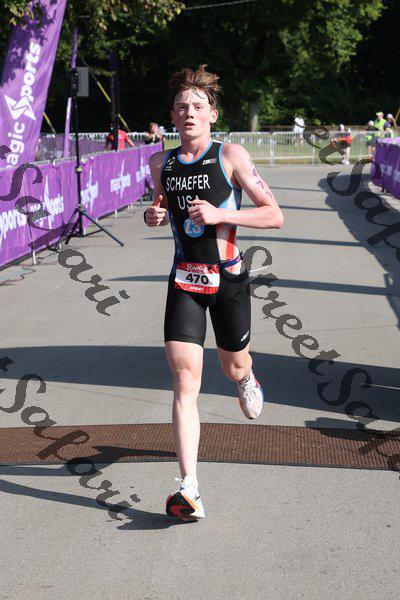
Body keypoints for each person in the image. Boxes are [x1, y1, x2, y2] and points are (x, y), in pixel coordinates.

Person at [145, 65, 284, 521]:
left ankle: (246, 379)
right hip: (184, 280)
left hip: (227, 278)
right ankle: (189, 487)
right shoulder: (160, 163)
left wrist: (223, 215)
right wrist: (153, 214)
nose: (189, 113)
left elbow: (274, 214)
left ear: (212, 114)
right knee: (185, 378)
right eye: (181, 107)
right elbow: (161, 204)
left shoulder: (230, 156)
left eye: (197, 106)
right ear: (172, 115)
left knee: (232, 365)